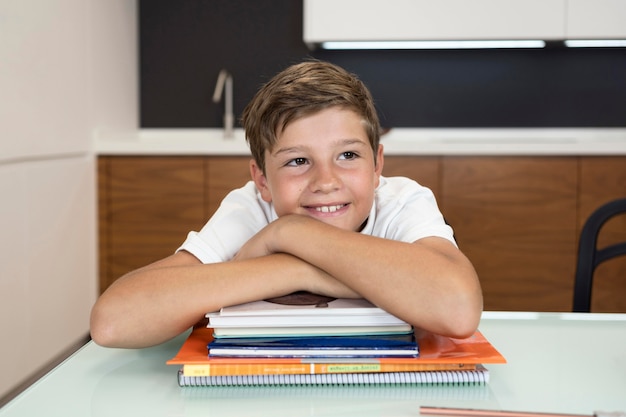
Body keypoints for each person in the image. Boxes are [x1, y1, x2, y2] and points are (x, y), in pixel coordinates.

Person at [90, 60, 482, 349]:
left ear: (378, 165)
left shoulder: (402, 201)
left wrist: (290, 231)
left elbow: (458, 310)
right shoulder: (249, 209)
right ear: (262, 180)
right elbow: (113, 322)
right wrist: (300, 271)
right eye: (297, 161)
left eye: (348, 156)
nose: (326, 182)